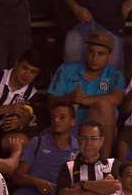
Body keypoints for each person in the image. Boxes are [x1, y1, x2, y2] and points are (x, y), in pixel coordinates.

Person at [47, 31, 126, 160]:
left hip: (99, 132)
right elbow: (50, 100)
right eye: (91, 52)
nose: (94, 58)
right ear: (86, 52)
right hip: (68, 126)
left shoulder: (114, 75)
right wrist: (69, 98)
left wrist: (84, 100)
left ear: (109, 56)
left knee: (104, 105)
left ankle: (104, 165)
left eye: (101, 54)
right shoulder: (66, 69)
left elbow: (116, 99)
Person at [55, 0, 132, 71]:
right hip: (78, 23)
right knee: (70, 79)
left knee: (111, 81)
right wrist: (74, 7)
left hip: (111, 25)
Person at [11, 102, 79, 195]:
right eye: (54, 118)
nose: (56, 120)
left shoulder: (78, 149)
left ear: (73, 121)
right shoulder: (37, 142)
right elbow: (17, 177)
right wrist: (36, 182)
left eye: (62, 117)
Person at [56, 120, 120, 195]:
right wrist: (103, 188)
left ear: (101, 141)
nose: (88, 143)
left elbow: (117, 186)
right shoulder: (68, 167)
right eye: (84, 138)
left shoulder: (113, 164)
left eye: (93, 138)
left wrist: (84, 185)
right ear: (78, 140)